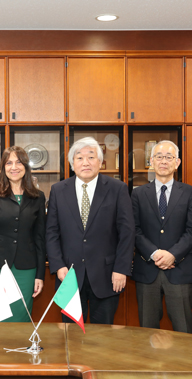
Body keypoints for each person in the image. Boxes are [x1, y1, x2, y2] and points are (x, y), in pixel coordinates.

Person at [46, 137, 134, 325]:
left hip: (107, 275)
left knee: (102, 338)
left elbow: (127, 233)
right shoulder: (58, 190)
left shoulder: (117, 189)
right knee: (71, 336)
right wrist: (58, 266)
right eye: (79, 158)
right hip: (68, 275)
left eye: (91, 157)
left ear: (100, 162)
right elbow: (52, 232)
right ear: (72, 164)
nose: (85, 162)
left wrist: (121, 268)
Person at [131, 140, 192, 334]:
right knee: (147, 330)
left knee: (183, 328)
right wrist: (154, 253)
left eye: (168, 157)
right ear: (151, 161)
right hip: (147, 270)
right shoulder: (138, 194)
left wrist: (172, 255)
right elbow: (134, 229)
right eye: (159, 157)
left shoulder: (189, 193)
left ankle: (184, 366)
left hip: (180, 269)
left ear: (177, 163)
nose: (163, 161)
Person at [0, 146, 46, 322]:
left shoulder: (38, 196)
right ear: (3, 167)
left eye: (19, 162)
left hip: (26, 269)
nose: (14, 167)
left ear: (26, 167)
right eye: (9, 163)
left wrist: (40, 275)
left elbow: (39, 237)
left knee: (20, 318)